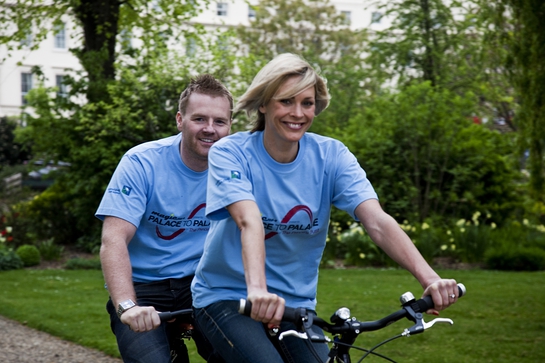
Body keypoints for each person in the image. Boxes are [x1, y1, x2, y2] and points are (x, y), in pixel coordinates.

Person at [191, 53, 460, 363]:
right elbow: (249, 220)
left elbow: (376, 221)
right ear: (263, 104)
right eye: (286, 101)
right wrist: (258, 291)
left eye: (307, 103)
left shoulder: (331, 156)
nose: (298, 113)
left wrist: (430, 279)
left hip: (295, 303)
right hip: (228, 296)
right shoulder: (231, 153)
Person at [96, 74, 233, 363]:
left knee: (238, 354)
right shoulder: (141, 162)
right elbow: (114, 239)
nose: (210, 129)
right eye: (200, 119)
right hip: (144, 289)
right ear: (180, 120)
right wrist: (127, 305)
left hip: (203, 284)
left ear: (230, 125)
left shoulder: (236, 169)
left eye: (220, 121)